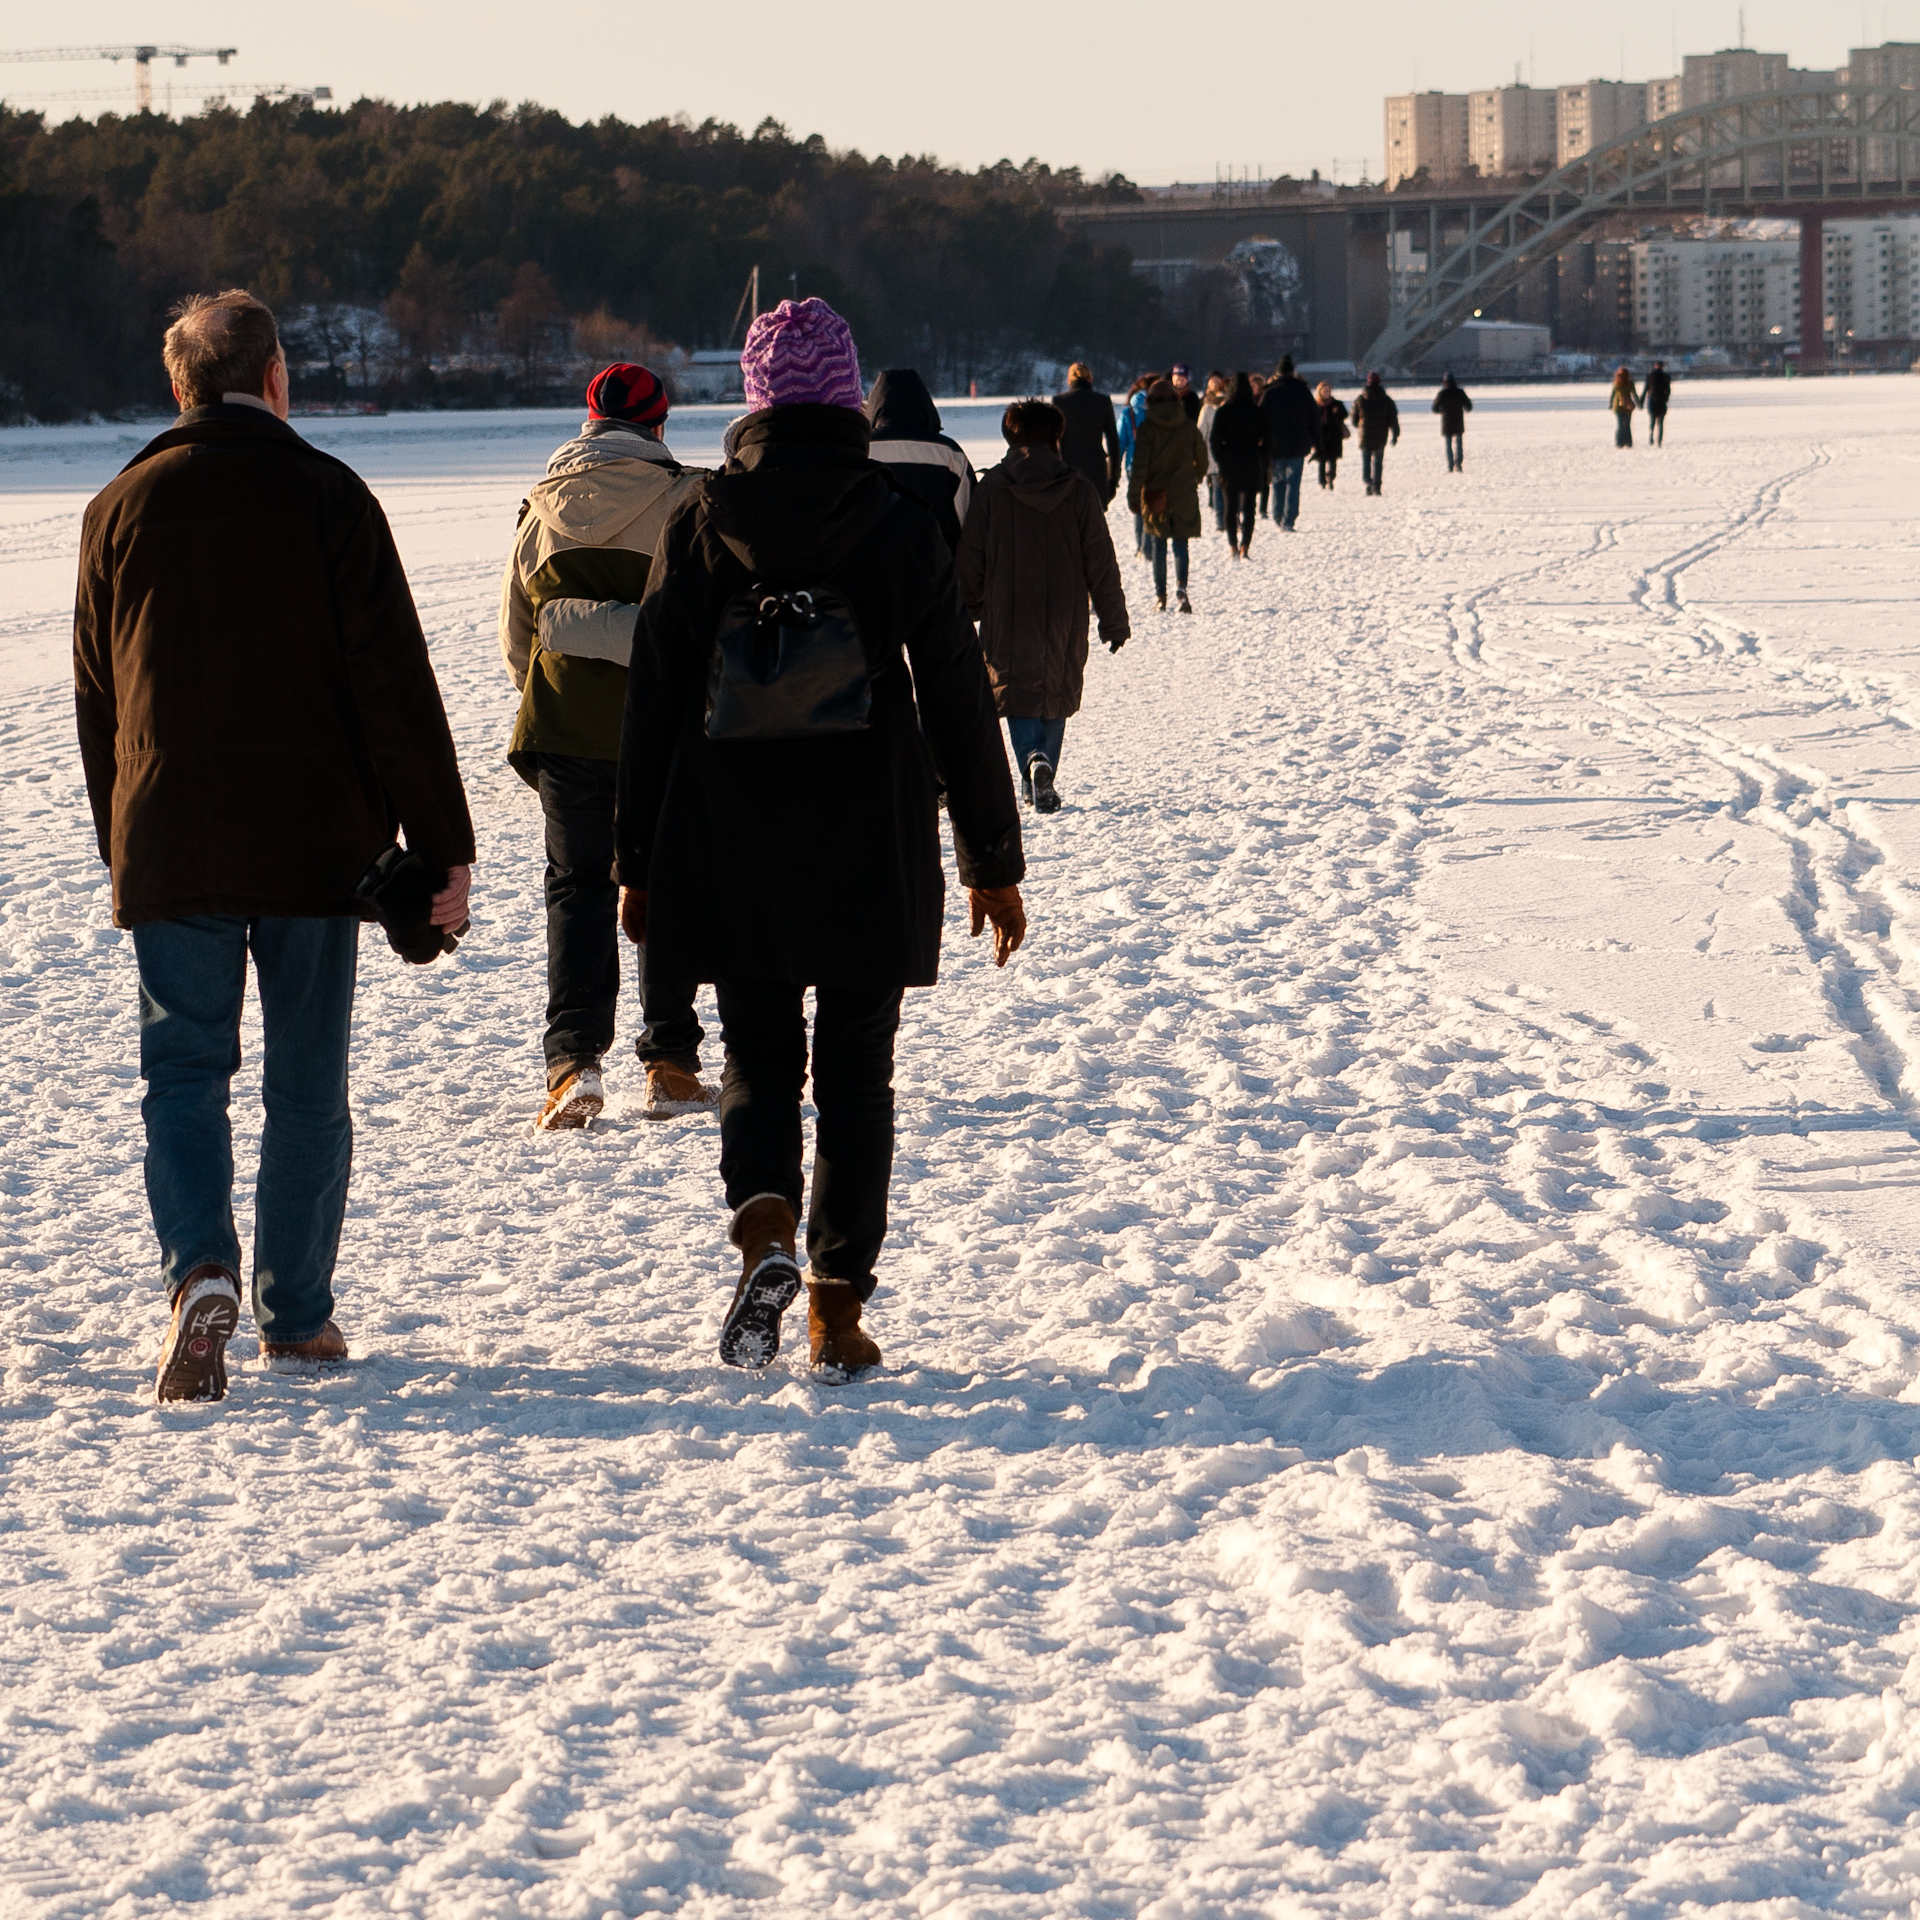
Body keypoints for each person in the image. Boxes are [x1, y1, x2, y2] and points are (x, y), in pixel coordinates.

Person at [614, 297, 1028, 1378]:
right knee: (856, 1074)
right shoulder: (897, 520)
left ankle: (764, 1222)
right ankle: (836, 1309)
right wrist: (991, 861)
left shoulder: (699, 520)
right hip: (867, 834)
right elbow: (956, 696)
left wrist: (635, 864)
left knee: (755, 1052)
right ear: (846, 397)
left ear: (754, 401)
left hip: (730, 831)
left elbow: (652, 700)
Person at [73, 289, 475, 1402]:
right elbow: (395, 687)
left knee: (183, 1075)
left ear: (180, 386)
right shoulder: (331, 497)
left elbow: (98, 698)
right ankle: (294, 1317)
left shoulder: (118, 507)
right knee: (306, 1085)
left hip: (170, 839)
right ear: (277, 377)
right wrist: (443, 843)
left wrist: (124, 841)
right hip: (316, 841)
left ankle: (200, 1272)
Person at [500, 363, 714, 1132]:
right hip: (663, 730)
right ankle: (670, 1063)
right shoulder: (689, 497)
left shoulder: (540, 505)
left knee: (577, 889)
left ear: (588, 422)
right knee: (667, 885)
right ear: (659, 423)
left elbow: (517, 634)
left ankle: (573, 1063)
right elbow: (701, 620)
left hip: (563, 726)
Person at [957, 399, 1130, 814]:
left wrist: (967, 605)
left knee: (1015, 689)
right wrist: (1113, 619)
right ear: (1056, 437)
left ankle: (1033, 761)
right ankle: (1042, 767)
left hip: (1008, 609)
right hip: (1065, 612)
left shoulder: (993, 488)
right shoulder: (1079, 488)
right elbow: (1101, 560)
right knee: (1056, 688)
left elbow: (971, 556)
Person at [864, 368, 974, 551]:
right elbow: (969, 521)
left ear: (875, 404)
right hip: (936, 561)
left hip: (870, 563)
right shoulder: (949, 453)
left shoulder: (861, 448)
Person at [1126, 377, 1209, 613]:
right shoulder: (1188, 425)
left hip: (1155, 494)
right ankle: (1181, 587)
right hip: (1184, 493)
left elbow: (1140, 466)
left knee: (1158, 544)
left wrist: (1134, 496)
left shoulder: (1147, 428)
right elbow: (1202, 458)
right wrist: (1194, 478)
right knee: (1181, 542)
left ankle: (1161, 596)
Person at [1208, 373, 1270, 560]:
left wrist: (1221, 457)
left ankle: (1233, 546)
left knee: (1230, 507)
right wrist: (1261, 456)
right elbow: (1268, 439)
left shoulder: (1223, 411)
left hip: (1229, 463)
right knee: (1250, 507)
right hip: (1251, 461)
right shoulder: (1257, 411)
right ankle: (1245, 547)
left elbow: (1214, 440)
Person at [1260, 354, 1318, 529]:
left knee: (1278, 482)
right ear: (1293, 372)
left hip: (1275, 445)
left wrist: (1261, 442)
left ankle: (1278, 515)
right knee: (1293, 483)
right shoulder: (1303, 392)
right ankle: (1289, 520)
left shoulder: (1270, 393)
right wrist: (1317, 442)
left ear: (1277, 372)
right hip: (1298, 445)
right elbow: (1314, 419)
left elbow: (1260, 419)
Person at [1053, 363, 1122, 507]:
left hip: (1067, 476)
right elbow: (1114, 444)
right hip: (1097, 476)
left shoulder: (1059, 402)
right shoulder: (1103, 402)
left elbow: (1053, 443)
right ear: (1090, 379)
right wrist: (1113, 480)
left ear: (1069, 380)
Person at [1117, 384, 1153, 558]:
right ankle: (1148, 545)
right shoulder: (1155, 413)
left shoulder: (1127, 414)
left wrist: (1115, 466)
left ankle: (1140, 546)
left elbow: (1120, 442)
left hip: (1133, 465)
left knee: (1138, 506)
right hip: (1153, 464)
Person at [1352, 370, 1400, 496]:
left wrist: (1360, 426)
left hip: (1365, 435)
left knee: (1366, 461)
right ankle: (1377, 485)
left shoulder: (1360, 399)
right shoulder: (1387, 400)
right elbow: (1393, 419)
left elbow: (1354, 419)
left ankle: (1368, 483)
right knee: (1378, 462)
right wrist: (1395, 434)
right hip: (1380, 435)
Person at [1432, 372, 1473, 473]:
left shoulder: (1442, 393)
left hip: (1447, 422)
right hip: (1458, 421)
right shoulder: (1460, 392)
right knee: (1459, 443)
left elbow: (1434, 408)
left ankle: (1450, 466)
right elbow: (1469, 406)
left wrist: (1442, 410)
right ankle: (1458, 464)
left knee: (1448, 444)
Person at [1313, 381, 1349, 490]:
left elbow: (1345, 415)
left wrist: (1337, 412)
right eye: (1324, 391)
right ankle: (1322, 482)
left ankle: (1331, 478)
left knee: (1333, 459)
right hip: (1320, 436)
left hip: (1334, 436)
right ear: (1319, 392)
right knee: (1322, 460)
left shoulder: (1336, 404)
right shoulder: (1315, 405)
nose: (1326, 393)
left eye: (1327, 390)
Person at [1610, 365, 1640, 448]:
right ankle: (1628, 442)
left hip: (1617, 406)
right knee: (1627, 425)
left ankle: (1619, 442)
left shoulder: (1616, 383)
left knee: (1620, 425)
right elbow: (1634, 395)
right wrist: (1638, 403)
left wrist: (1610, 404)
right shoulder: (1630, 384)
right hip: (1628, 406)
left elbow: (1613, 395)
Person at [1645, 361, 1671, 446]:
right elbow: (1668, 390)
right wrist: (1666, 399)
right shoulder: (1665, 376)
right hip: (1661, 400)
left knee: (1652, 421)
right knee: (1660, 422)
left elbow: (1646, 389)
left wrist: (1641, 401)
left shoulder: (1650, 376)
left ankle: (1651, 437)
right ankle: (1659, 440)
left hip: (1653, 400)